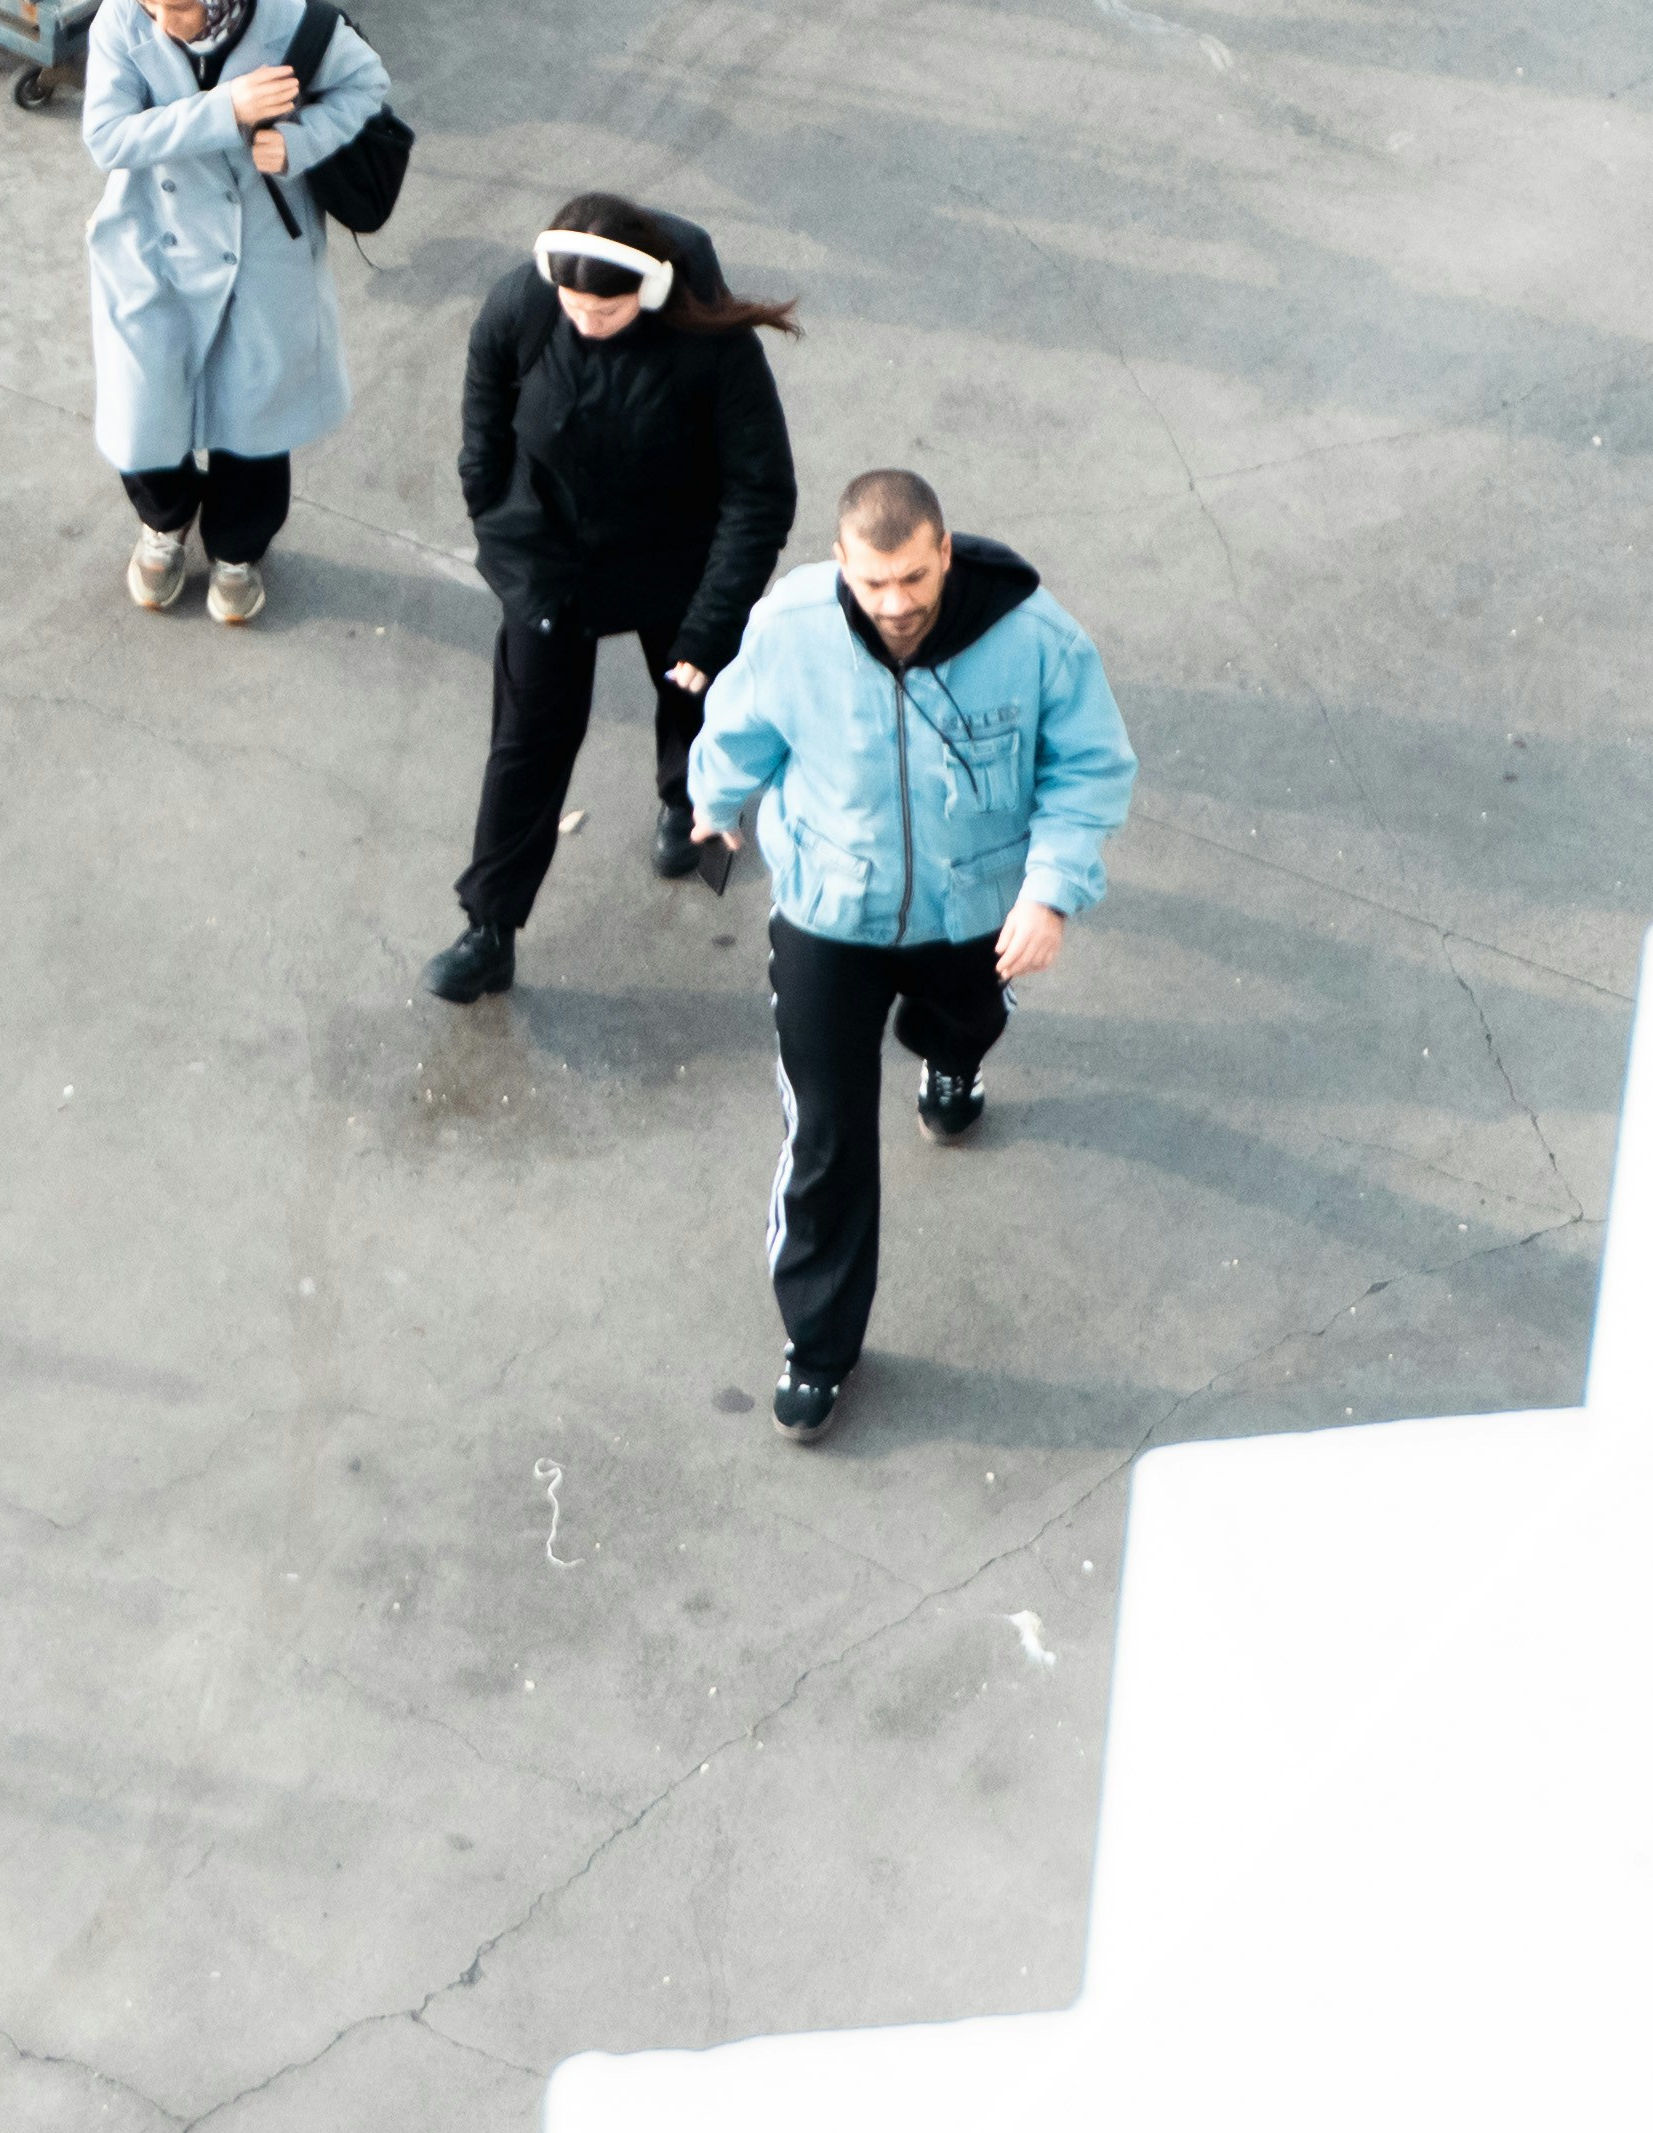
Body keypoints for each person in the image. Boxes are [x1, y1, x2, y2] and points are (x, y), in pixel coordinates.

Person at [681, 470, 1139, 1442]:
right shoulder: (793, 625)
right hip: (826, 914)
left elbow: (1090, 765)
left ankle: (953, 1057)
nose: (895, 604)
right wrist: (713, 807)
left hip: (971, 908)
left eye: (914, 579)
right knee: (827, 1130)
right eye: (875, 582)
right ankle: (819, 1345)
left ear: (946, 554)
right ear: (843, 563)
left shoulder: (1034, 637)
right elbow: (741, 726)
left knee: (966, 1019)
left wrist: (1050, 890)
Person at [422, 197, 801, 1003]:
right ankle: (490, 927)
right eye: (575, 306)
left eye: (609, 308)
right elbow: (484, 409)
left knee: (694, 696)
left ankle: (691, 808)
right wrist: (491, 509)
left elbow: (760, 493)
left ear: (653, 291)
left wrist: (708, 627)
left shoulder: (713, 347)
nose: (588, 322)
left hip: (676, 563)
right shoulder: (521, 306)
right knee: (525, 747)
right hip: (552, 567)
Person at [81, 0, 391, 630]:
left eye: (177, 5)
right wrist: (227, 112)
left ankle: (236, 551)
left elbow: (366, 85)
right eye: (150, 1)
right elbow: (106, 136)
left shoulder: (291, 21)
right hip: (149, 245)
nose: (161, 19)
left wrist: (302, 141)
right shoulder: (126, 14)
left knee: (256, 427)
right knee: (142, 412)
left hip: (262, 253)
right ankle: (164, 523)